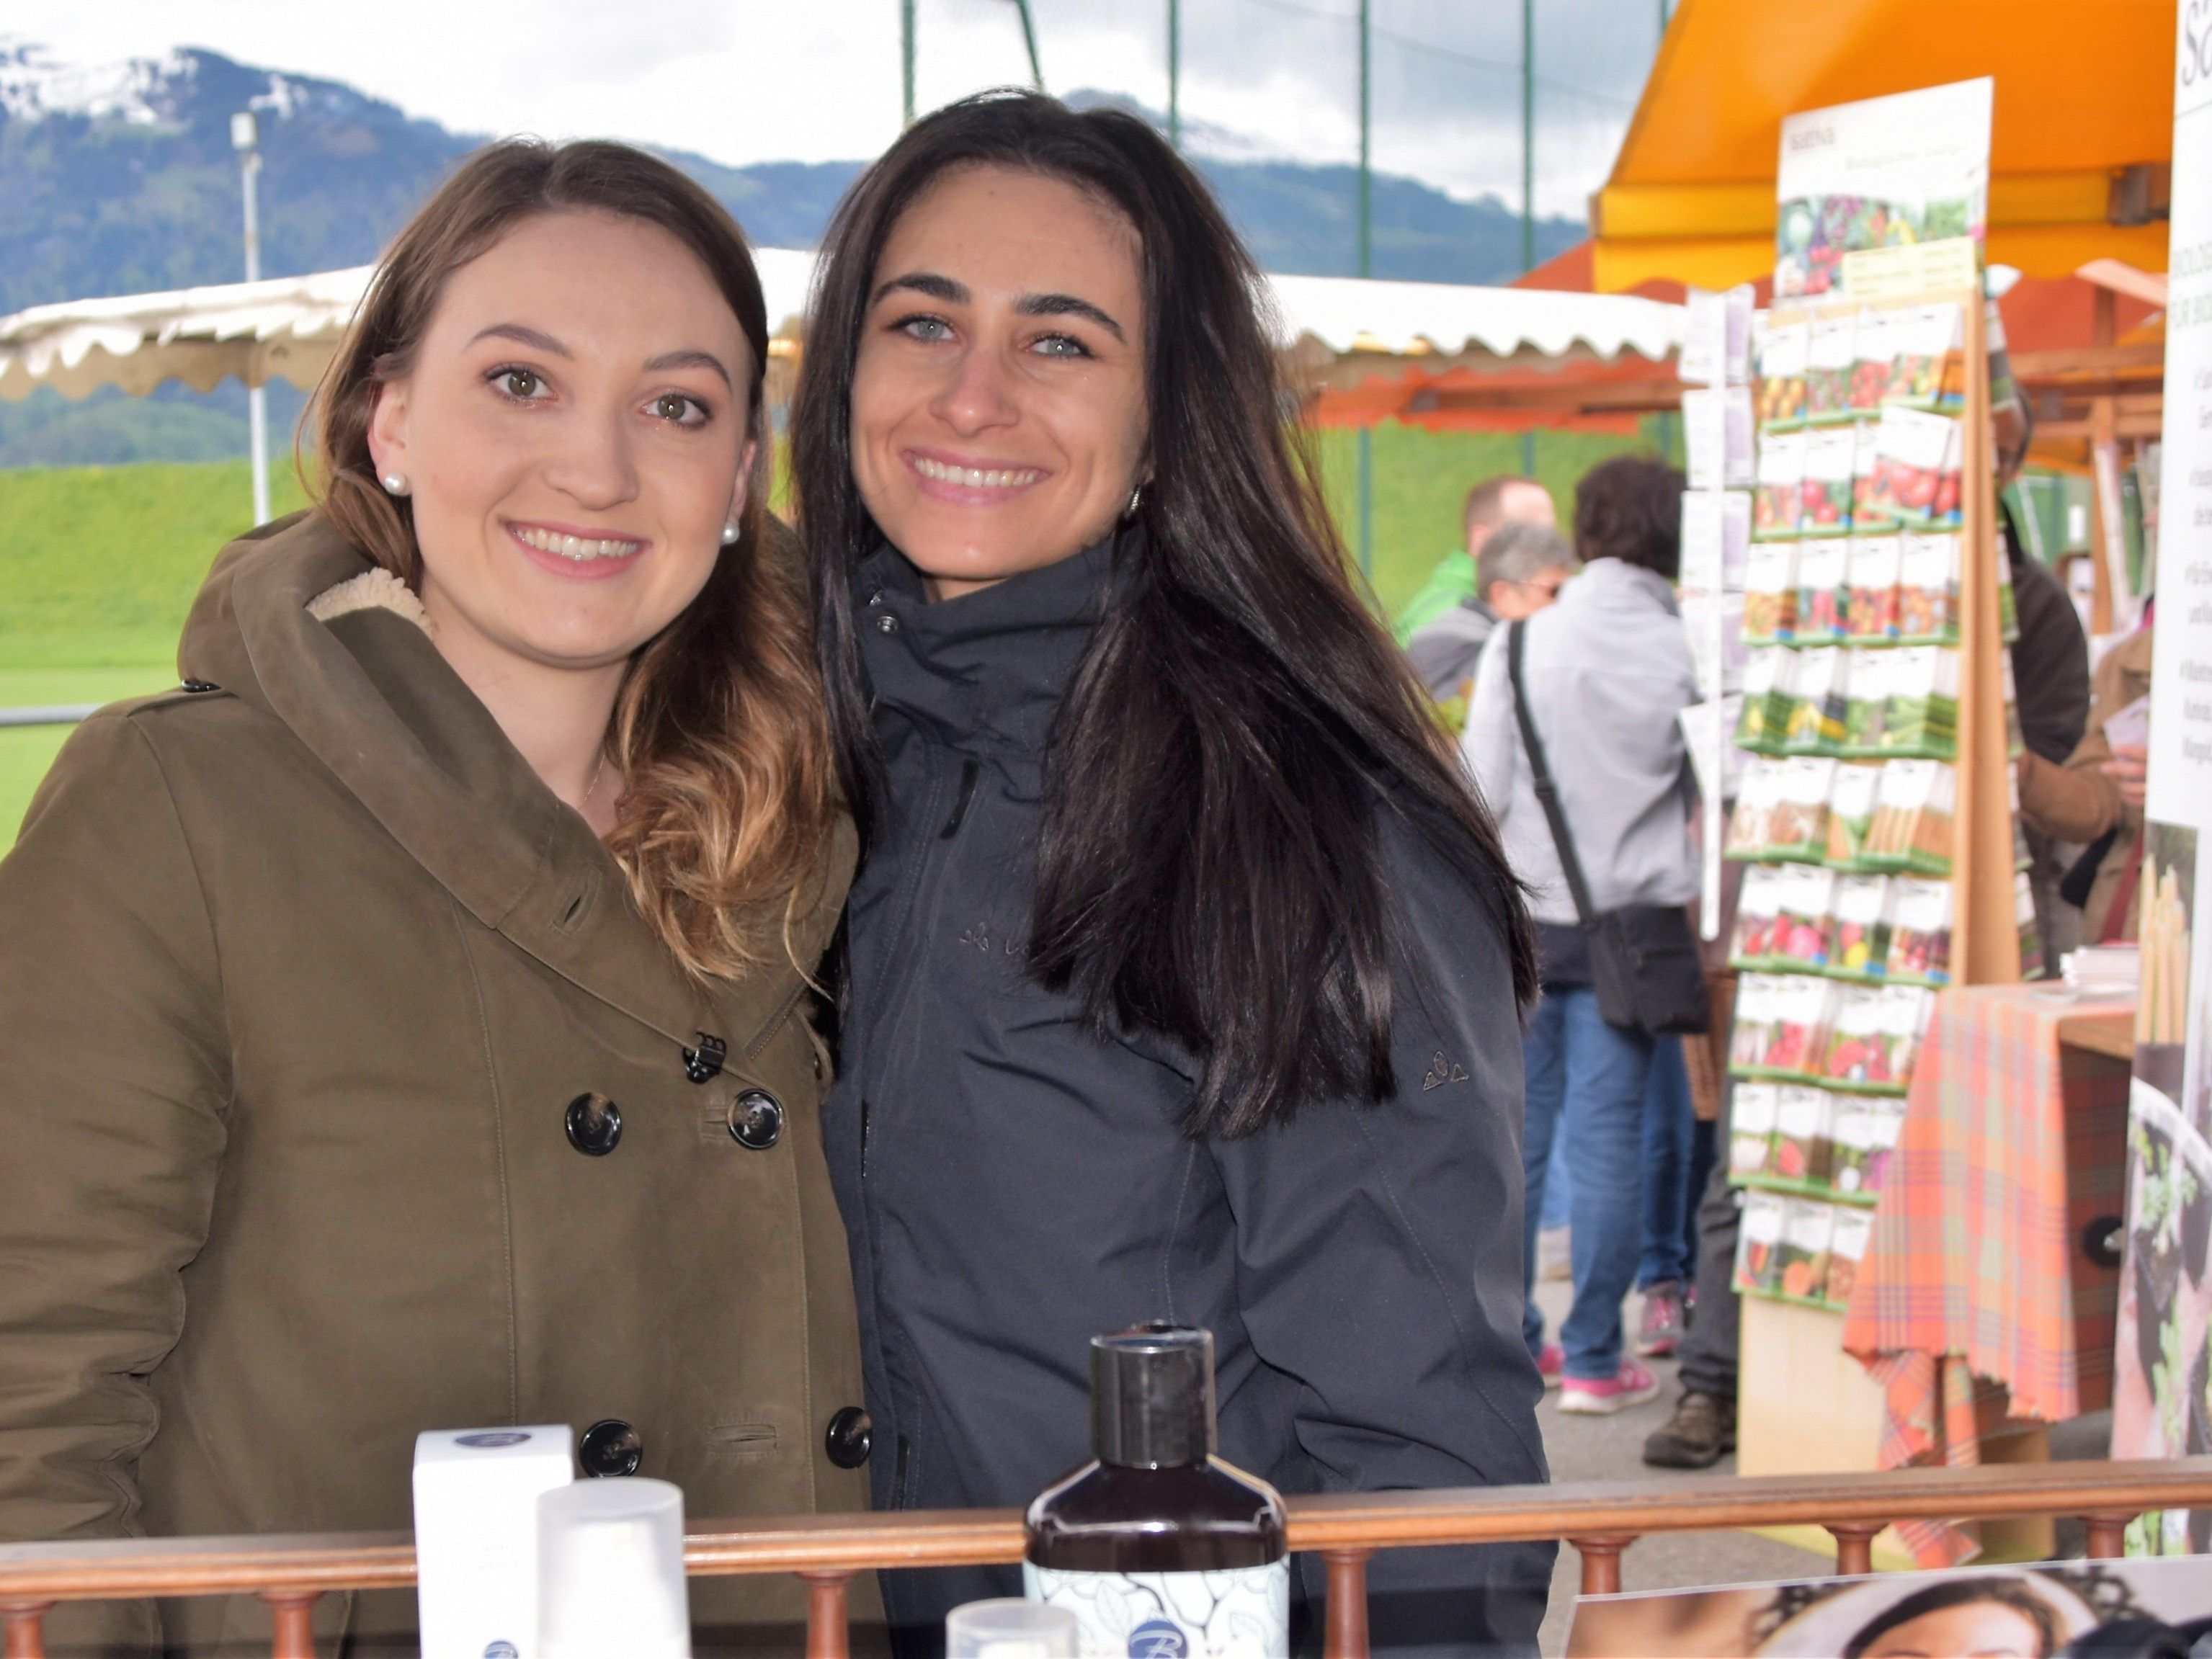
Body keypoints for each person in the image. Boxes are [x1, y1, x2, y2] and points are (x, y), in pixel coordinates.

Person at [0, 141, 869, 1655]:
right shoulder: (178, 812)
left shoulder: (805, 838)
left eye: (675, 405)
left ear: (738, 479)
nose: (597, 468)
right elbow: (29, 1409)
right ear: (389, 417)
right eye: (520, 382)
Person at [790, 91, 1552, 1655]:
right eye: (921, 320)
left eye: (1060, 341)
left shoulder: (1288, 816)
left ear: (1166, 417)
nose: (973, 394)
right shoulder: (793, 757)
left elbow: (1421, 1453)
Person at [1462, 453, 1699, 1416]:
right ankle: (1597, 1355)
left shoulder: (1520, 644)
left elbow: (1477, 787)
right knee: (1611, 1141)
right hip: (1631, 934)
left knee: (1517, 1137)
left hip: (1523, 925)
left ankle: (1517, 1344)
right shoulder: (1685, 652)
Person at [1403, 502, 1572, 702]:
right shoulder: (1491, 659)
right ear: (1503, 594)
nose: (1565, 603)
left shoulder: (1441, 630)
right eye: (1555, 591)